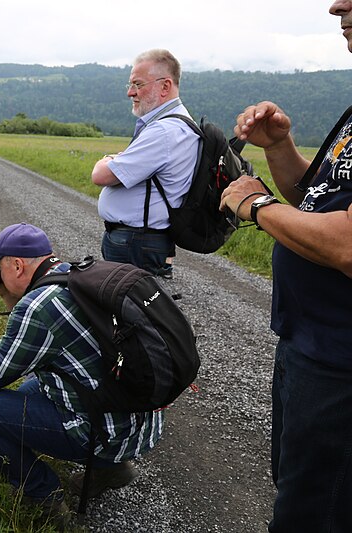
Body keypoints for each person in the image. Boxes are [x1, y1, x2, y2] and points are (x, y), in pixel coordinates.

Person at [219, 4, 352, 530]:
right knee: (300, 490)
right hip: (311, 347)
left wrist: (256, 206)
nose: (336, 5)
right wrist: (279, 147)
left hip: (342, 369)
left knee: (314, 513)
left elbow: (347, 245)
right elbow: (316, 200)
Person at [0, 223, 162, 524]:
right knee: (30, 388)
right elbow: (29, 349)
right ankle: (111, 469)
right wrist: (9, 292)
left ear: (17, 265)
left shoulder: (38, 306)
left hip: (106, 436)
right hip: (137, 424)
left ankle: (45, 496)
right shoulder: (77, 275)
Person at [91, 49, 200, 278]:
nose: (131, 93)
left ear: (165, 86)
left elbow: (100, 176)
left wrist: (108, 159)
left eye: (138, 84)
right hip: (141, 240)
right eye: (130, 85)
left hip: (135, 242)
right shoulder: (177, 124)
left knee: (129, 310)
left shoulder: (163, 131)